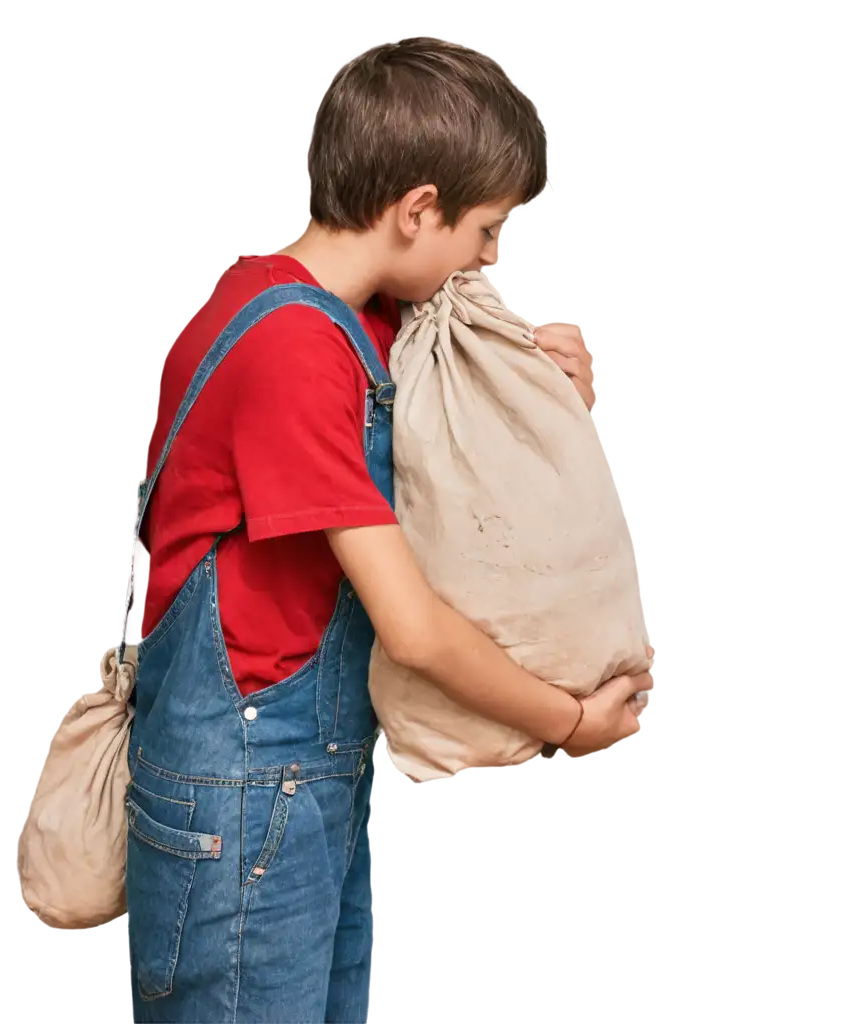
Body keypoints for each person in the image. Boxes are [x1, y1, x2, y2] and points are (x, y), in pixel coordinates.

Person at [125, 35, 652, 1024]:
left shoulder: (339, 318)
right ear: (418, 209)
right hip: (246, 796)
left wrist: (534, 387)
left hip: (302, 778)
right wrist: (569, 721)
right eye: (484, 231)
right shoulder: (293, 347)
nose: (487, 257)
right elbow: (409, 626)